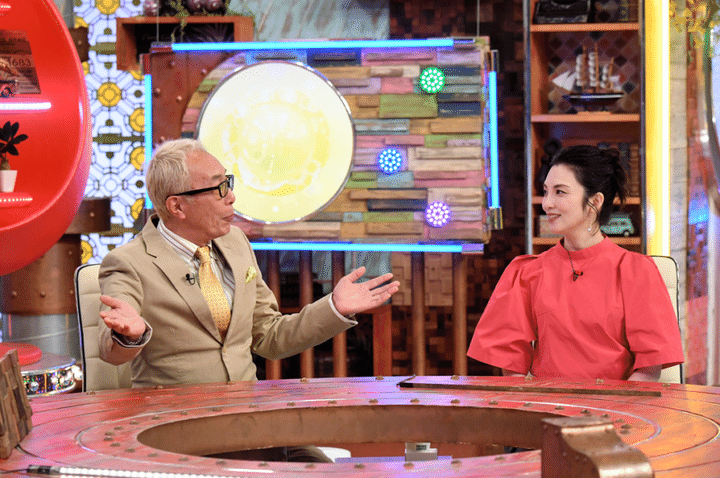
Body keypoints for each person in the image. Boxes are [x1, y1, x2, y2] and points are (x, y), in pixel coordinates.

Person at [97, 138, 399, 385]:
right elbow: (109, 350)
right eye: (218, 188)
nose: (231, 197)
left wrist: (334, 307)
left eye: (227, 183)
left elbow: (270, 336)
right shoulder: (128, 262)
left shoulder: (235, 243)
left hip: (244, 413)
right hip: (177, 421)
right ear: (177, 206)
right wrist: (129, 336)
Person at [467, 145, 683, 381]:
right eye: (546, 192)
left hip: (616, 402)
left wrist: (609, 405)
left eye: (560, 192)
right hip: (546, 403)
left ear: (595, 201)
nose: (547, 203)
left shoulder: (636, 271)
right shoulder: (527, 272)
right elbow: (510, 364)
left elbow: (649, 369)